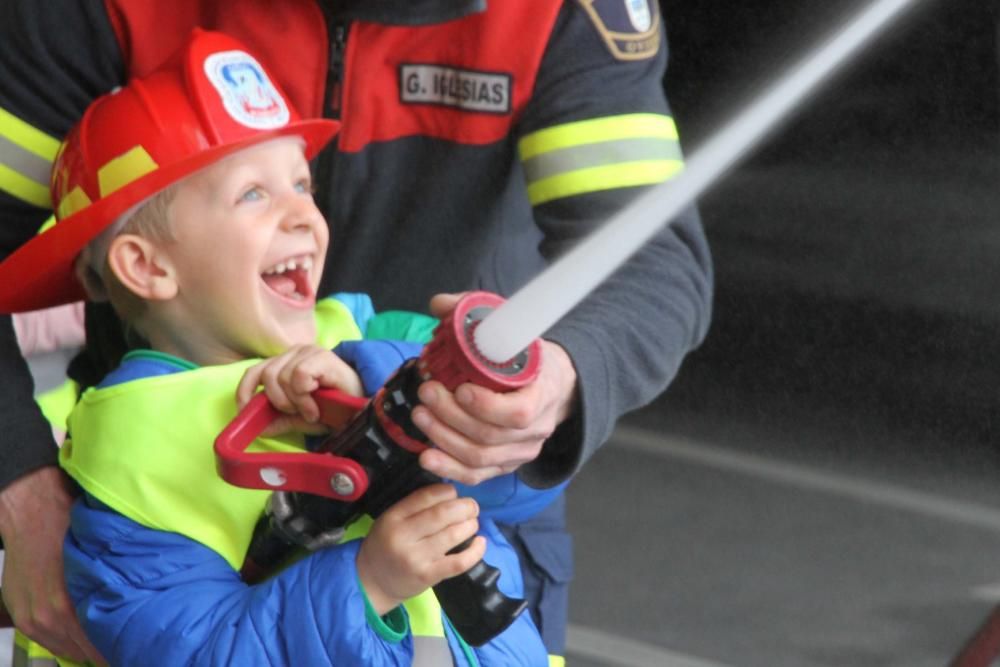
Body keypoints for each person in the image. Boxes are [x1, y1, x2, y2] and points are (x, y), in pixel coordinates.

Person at [0, 0, 713, 661]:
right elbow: (198, 642)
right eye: (253, 191)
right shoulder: (134, 456)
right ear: (141, 265)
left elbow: (647, 256)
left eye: (301, 184)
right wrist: (19, 491)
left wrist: (526, 395)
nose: (301, 217)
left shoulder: (376, 336)